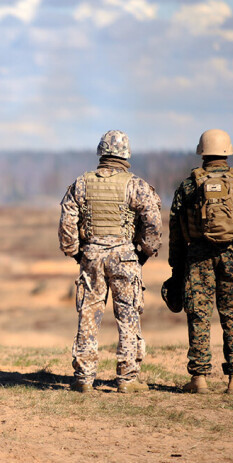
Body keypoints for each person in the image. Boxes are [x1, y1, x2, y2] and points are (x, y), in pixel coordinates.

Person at [168, 129, 233, 394]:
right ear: (227, 151)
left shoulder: (189, 185)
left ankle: (199, 380)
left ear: (202, 152)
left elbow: (176, 229)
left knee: (199, 316)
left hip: (197, 258)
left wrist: (176, 266)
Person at [59, 130, 162, 393]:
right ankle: (127, 380)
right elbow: (153, 223)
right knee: (128, 316)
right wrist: (142, 254)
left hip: (91, 256)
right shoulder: (136, 185)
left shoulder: (81, 183)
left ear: (101, 152)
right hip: (125, 257)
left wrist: (76, 252)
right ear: (126, 154)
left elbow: (67, 220)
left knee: (88, 315)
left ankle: (84, 378)